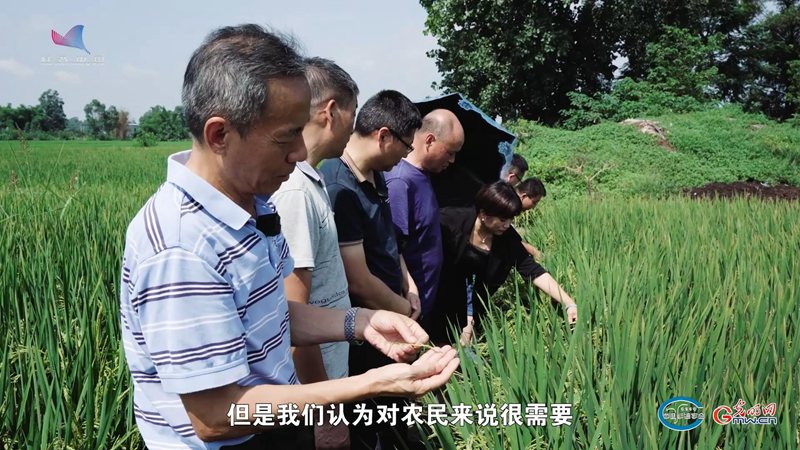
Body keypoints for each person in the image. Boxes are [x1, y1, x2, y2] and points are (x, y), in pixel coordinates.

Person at [119, 25, 458, 450]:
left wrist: (360, 322)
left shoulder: (256, 206)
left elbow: (274, 312)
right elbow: (216, 416)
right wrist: (365, 386)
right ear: (219, 135)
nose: (300, 152)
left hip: (278, 423)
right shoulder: (181, 246)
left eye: (301, 131)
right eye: (285, 136)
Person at [319, 90, 423, 449]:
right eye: (406, 147)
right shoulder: (338, 186)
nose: (406, 156)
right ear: (383, 136)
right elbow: (358, 280)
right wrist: (404, 311)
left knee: (395, 413)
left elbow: (390, 242)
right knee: (371, 420)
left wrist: (408, 285)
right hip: (364, 331)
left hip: (390, 316)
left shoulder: (376, 176)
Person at [270, 57, 358, 450]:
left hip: (324, 380)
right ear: (332, 111)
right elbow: (291, 315)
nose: (355, 128)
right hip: (309, 394)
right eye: (353, 113)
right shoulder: (295, 192)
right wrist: (326, 411)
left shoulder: (312, 179)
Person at [429, 181, 578, 346]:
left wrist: (569, 303)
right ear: (484, 213)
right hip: (434, 296)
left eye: (510, 219)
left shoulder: (507, 238)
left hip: (472, 303)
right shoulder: (449, 222)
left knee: (459, 352)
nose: (507, 225)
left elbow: (533, 270)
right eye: (502, 219)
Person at [386, 108, 464, 324]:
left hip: (423, 302)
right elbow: (392, 246)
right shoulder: (400, 181)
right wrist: (409, 288)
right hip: (407, 307)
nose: (453, 160)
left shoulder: (423, 175)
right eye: (450, 152)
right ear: (429, 140)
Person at [515, 177, 547, 260]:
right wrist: (534, 251)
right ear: (524, 196)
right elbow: (508, 237)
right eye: (534, 202)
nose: (533, 207)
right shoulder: (505, 204)